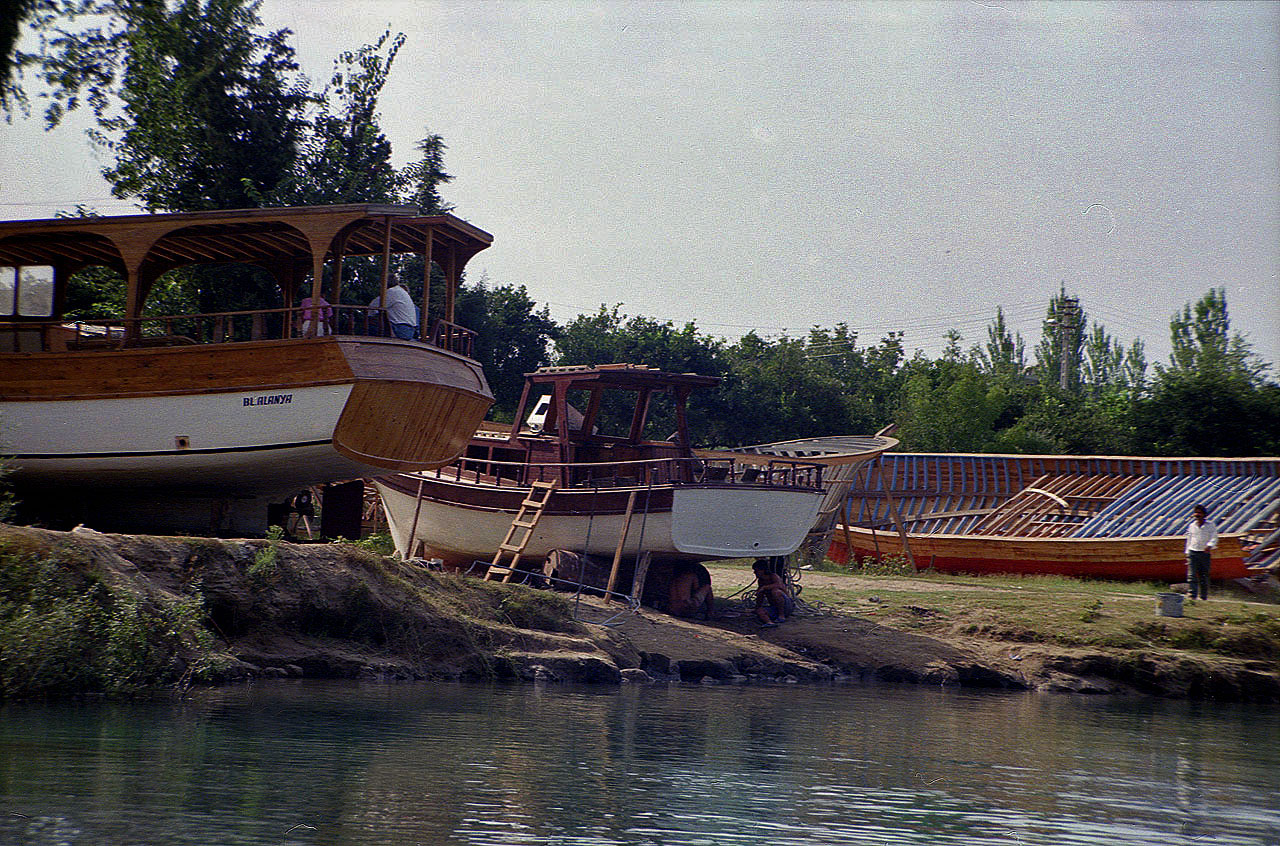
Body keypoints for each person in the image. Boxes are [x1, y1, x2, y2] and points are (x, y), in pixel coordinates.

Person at [1185, 503, 1217, 601]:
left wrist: (1209, 545)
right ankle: (1192, 595)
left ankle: (1203, 596)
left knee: (1203, 575)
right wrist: (1187, 552)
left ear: (1204, 514)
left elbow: (1214, 537)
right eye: (1196, 513)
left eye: (1199, 513)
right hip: (1193, 552)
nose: (1197, 515)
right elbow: (1189, 539)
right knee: (1191, 575)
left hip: (1204, 553)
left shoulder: (1210, 525)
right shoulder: (1192, 525)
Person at [753, 558, 793, 627]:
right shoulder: (761, 581)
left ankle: (781, 615)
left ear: (763, 570)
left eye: (756, 570)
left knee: (775, 592)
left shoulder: (773, 576)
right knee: (760, 611)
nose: (755, 573)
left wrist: (764, 587)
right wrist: (757, 608)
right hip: (774, 607)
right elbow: (760, 596)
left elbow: (779, 585)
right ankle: (769, 622)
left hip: (786, 606)